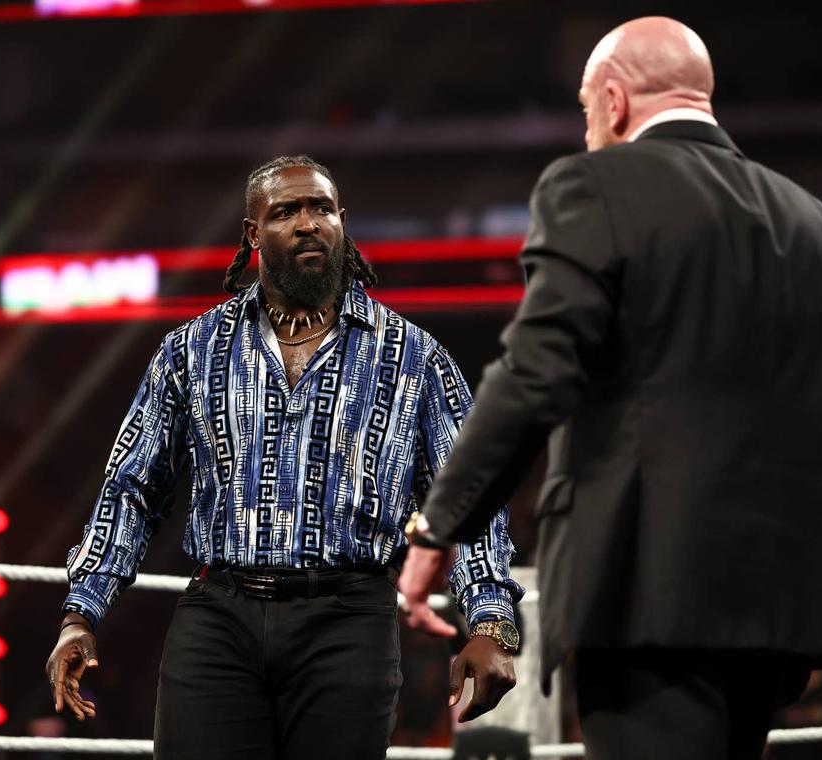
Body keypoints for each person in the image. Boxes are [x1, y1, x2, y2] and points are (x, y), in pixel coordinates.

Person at [399, 16, 822, 760]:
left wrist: (439, 527)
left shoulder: (594, 185)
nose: (588, 132)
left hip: (649, 589)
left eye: (587, 112)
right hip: (777, 604)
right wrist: (775, 508)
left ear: (613, 102)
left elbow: (535, 374)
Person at [44, 155, 525, 760]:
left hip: (348, 618)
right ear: (252, 233)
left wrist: (489, 622)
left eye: (321, 208)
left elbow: (471, 492)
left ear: (342, 223)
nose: (306, 223)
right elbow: (131, 487)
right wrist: (80, 614)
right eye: (286, 211)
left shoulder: (413, 356)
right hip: (221, 614)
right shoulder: (192, 350)